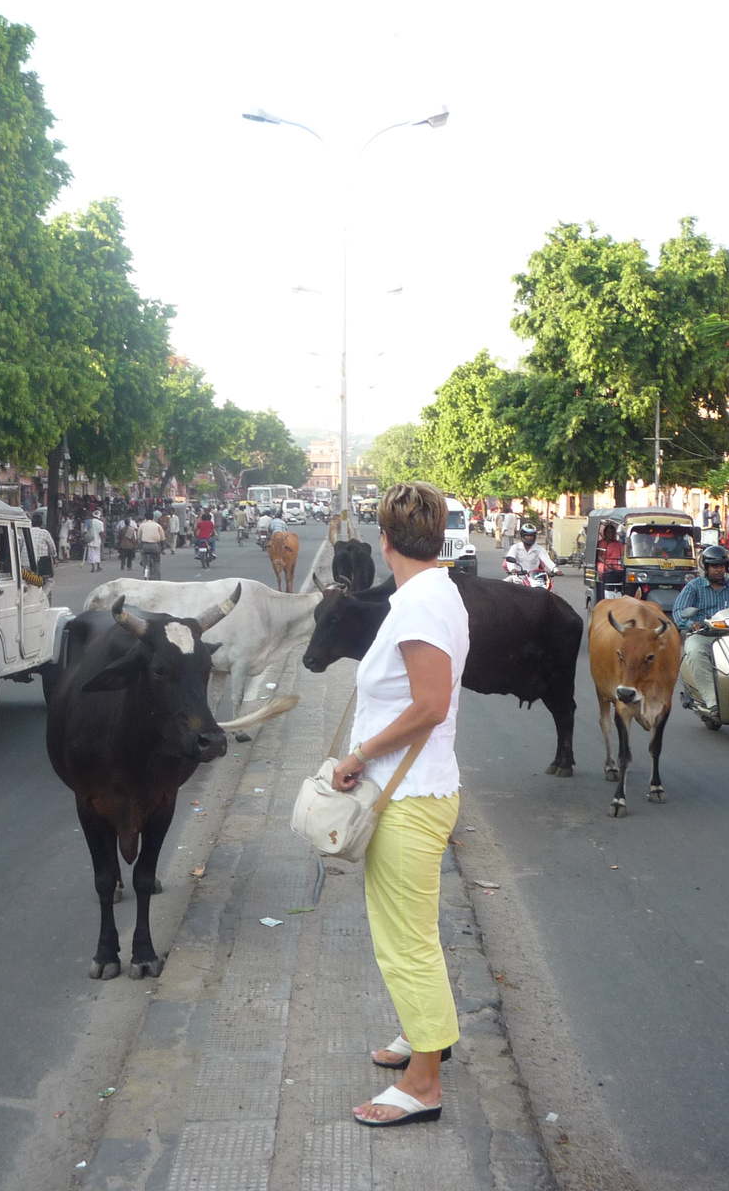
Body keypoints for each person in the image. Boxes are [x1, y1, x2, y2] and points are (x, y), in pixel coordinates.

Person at [328, 481, 469, 1128]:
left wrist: (359, 756)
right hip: (419, 790)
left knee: (405, 942)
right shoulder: (435, 593)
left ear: (384, 541)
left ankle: (424, 1083)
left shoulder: (417, 605)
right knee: (413, 932)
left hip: (408, 797)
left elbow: (430, 704)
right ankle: (423, 1034)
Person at [673, 543, 729, 708]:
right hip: (704, 636)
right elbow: (679, 612)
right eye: (714, 566)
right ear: (706, 568)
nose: (718, 570)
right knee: (694, 651)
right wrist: (690, 624)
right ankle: (714, 702)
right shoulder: (694, 587)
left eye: (721, 566)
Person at [598, 522, 626, 598]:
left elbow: (623, 555)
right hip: (604, 563)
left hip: (617, 563)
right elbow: (599, 556)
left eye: (612, 532)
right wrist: (607, 563)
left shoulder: (619, 544)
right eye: (609, 532)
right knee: (602, 568)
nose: (611, 534)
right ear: (605, 533)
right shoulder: (601, 543)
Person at [137, 510, 166, 577]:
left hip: (145, 546)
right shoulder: (157, 525)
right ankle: (157, 574)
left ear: (145, 517)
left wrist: (139, 545)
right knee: (157, 561)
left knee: (143, 554)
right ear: (153, 517)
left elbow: (139, 537)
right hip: (155, 546)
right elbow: (162, 538)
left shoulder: (142, 525)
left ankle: (144, 566)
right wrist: (163, 547)